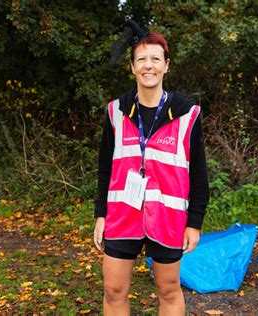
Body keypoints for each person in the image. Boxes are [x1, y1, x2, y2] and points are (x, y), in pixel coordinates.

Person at [93, 20, 209, 315]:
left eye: (155, 59)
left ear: (166, 65)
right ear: (132, 67)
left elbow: (198, 173)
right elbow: (105, 168)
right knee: (113, 289)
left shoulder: (187, 114)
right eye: (141, 59)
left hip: (168, 218)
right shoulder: (116, 111)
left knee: (169, 291)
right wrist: (100, 215)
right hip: (123, 214)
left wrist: (194, 221)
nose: (148, 66)